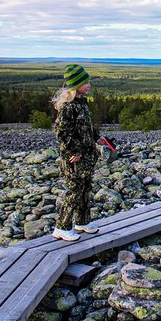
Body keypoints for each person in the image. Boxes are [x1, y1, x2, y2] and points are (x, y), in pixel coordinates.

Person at [51, 64, 101, 241]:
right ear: (75, 85)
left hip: (86, 157)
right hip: (74, 159)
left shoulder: (81, 104)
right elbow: (62, 132)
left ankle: (82, 221)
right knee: (74, 190)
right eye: (85, 82)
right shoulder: (68, 107)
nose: (89, 85)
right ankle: (62, 227)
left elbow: (86, 128)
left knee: (85, 188)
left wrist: (98, 138)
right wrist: (75, 151)